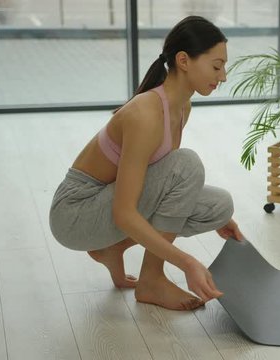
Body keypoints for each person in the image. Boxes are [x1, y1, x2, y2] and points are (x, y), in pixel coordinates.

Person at [49, 16, 244, 311]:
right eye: (217, 66)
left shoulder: (181, 106)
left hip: (103, 206)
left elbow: (163, 184)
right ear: (183, 60)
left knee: (219, 205)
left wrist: (213, 215)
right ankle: (152, 280)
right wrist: (187, 262)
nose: (224, 76)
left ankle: (112, 249)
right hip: (75, 213)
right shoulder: (146, 114)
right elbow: (125, 212)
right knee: (186, 164)